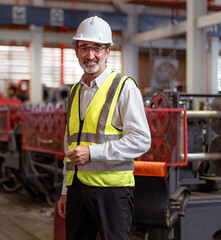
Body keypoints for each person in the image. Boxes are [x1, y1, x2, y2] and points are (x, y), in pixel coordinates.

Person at [57, 16, 151, 240]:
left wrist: (92, 153)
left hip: (112, 191)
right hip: (77, 189)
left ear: (108, 51)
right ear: (76, 51)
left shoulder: (124, 88)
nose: (91, 55)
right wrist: (65, 191)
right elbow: (69, 143)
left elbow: (141, 140)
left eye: (97, 48)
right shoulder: (75, 91)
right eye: (85, 48)